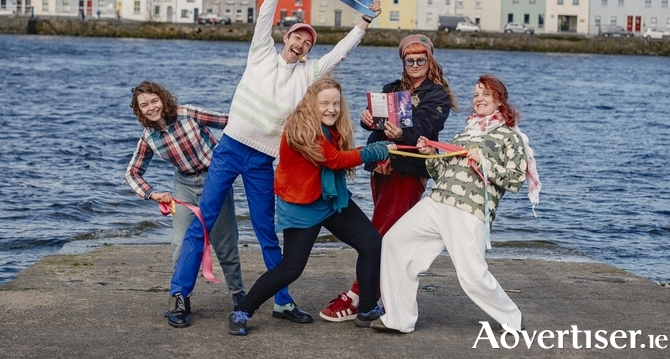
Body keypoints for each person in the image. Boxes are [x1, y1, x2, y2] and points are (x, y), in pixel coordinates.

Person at [167, 0, 382, 329]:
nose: (301, 44)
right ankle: (180, 295)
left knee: (267, 231)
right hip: (230, 149)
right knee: (204, 220)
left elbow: (340, 53)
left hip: (261, 160)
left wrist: (365, 21)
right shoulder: (261, 53)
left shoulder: (307, 76)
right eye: (298, 36)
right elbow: (265, 11)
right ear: (287, 37)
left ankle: (281, 302)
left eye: (307, 43)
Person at [371, 74, 541, 334]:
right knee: (394, 242)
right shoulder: (465, 133)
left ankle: (512, 319)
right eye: (475, 94)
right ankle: (398, 318)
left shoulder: (510, 137)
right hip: (438, 201)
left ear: (499, 102)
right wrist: (431, 155)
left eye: (485, 93)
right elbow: (442, 172)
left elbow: (515, 179)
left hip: (468, 209)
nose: (479, 98)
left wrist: (483, 162)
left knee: (472, 276)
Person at [227, 76, 395, 336]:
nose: (331, 109)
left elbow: (336, 160)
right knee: (290, 268)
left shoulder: (328, 126)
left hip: (330, 198)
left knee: (371, 243)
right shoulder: (301, 127)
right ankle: (243, 311)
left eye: (336, 104)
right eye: (324, 103)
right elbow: (335, 160)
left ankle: (367, 309)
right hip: (302, 204)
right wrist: (375, 151)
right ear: (311, 103)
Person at [320, 34, 457, 322]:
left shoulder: (437, 95)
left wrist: (401, 134)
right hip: (382, 165)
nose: (416, 63)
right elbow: (378, 125)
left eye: (422, 58)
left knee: (379, 233)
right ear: (403, 62)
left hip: (409, 169)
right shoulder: (391, 89)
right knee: (385, 233)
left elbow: (426, 128)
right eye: (410, 59)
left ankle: (358, 296)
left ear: (430, 60)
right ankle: (378, 295)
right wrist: (366, 119)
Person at [125, 81, 245, 313]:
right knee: (180, 243)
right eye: (144, 105)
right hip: (184, 185)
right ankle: (180, 298)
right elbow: (132, 173)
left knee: (225, 243)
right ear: (139, 111)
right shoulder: (148, 137)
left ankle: (238, 294)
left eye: (154, 101)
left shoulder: (188, 114)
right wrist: (152, 194)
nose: (151, 107)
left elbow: (230, 122)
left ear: (163, 99)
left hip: (215, 180)